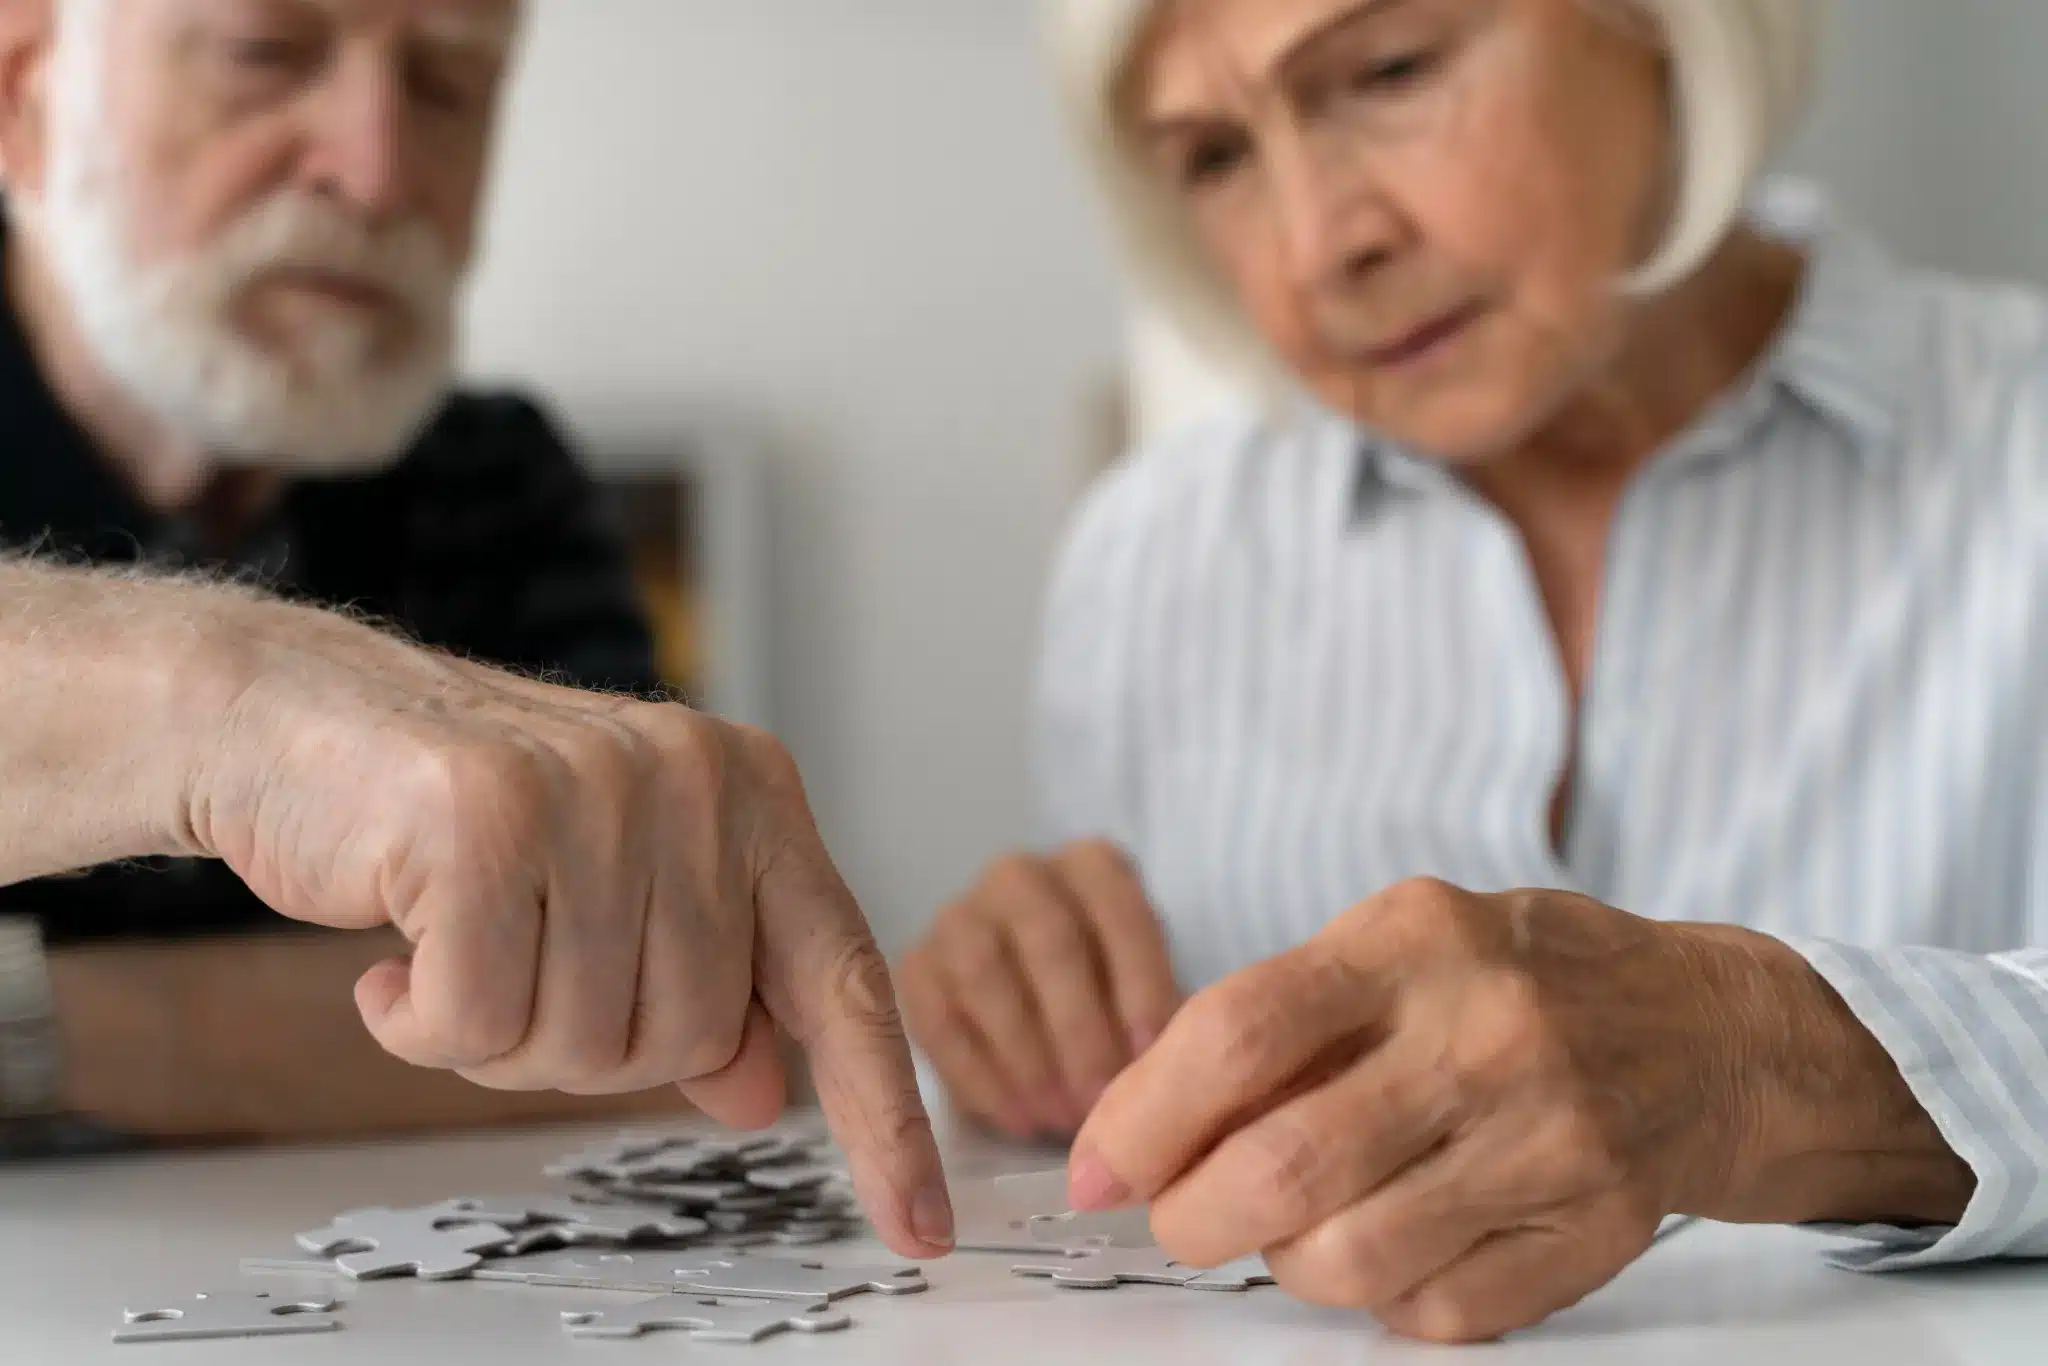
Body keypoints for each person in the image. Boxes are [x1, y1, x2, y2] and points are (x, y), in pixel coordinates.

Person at [902, 0, 2048, 1340]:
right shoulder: (1147, 557)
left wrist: (1764, 1061)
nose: (1322, 243)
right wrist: (1016, 1017)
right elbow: (1102, 1134)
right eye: (1214, 157)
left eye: (1389, 71)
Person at [0, 0, 958, 1259]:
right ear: (25, 95)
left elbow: (654, 1024)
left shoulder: (495, 475)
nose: (377, 166)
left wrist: (33, 1026)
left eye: (448, 87)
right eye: (265, 54)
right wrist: (228, 693)